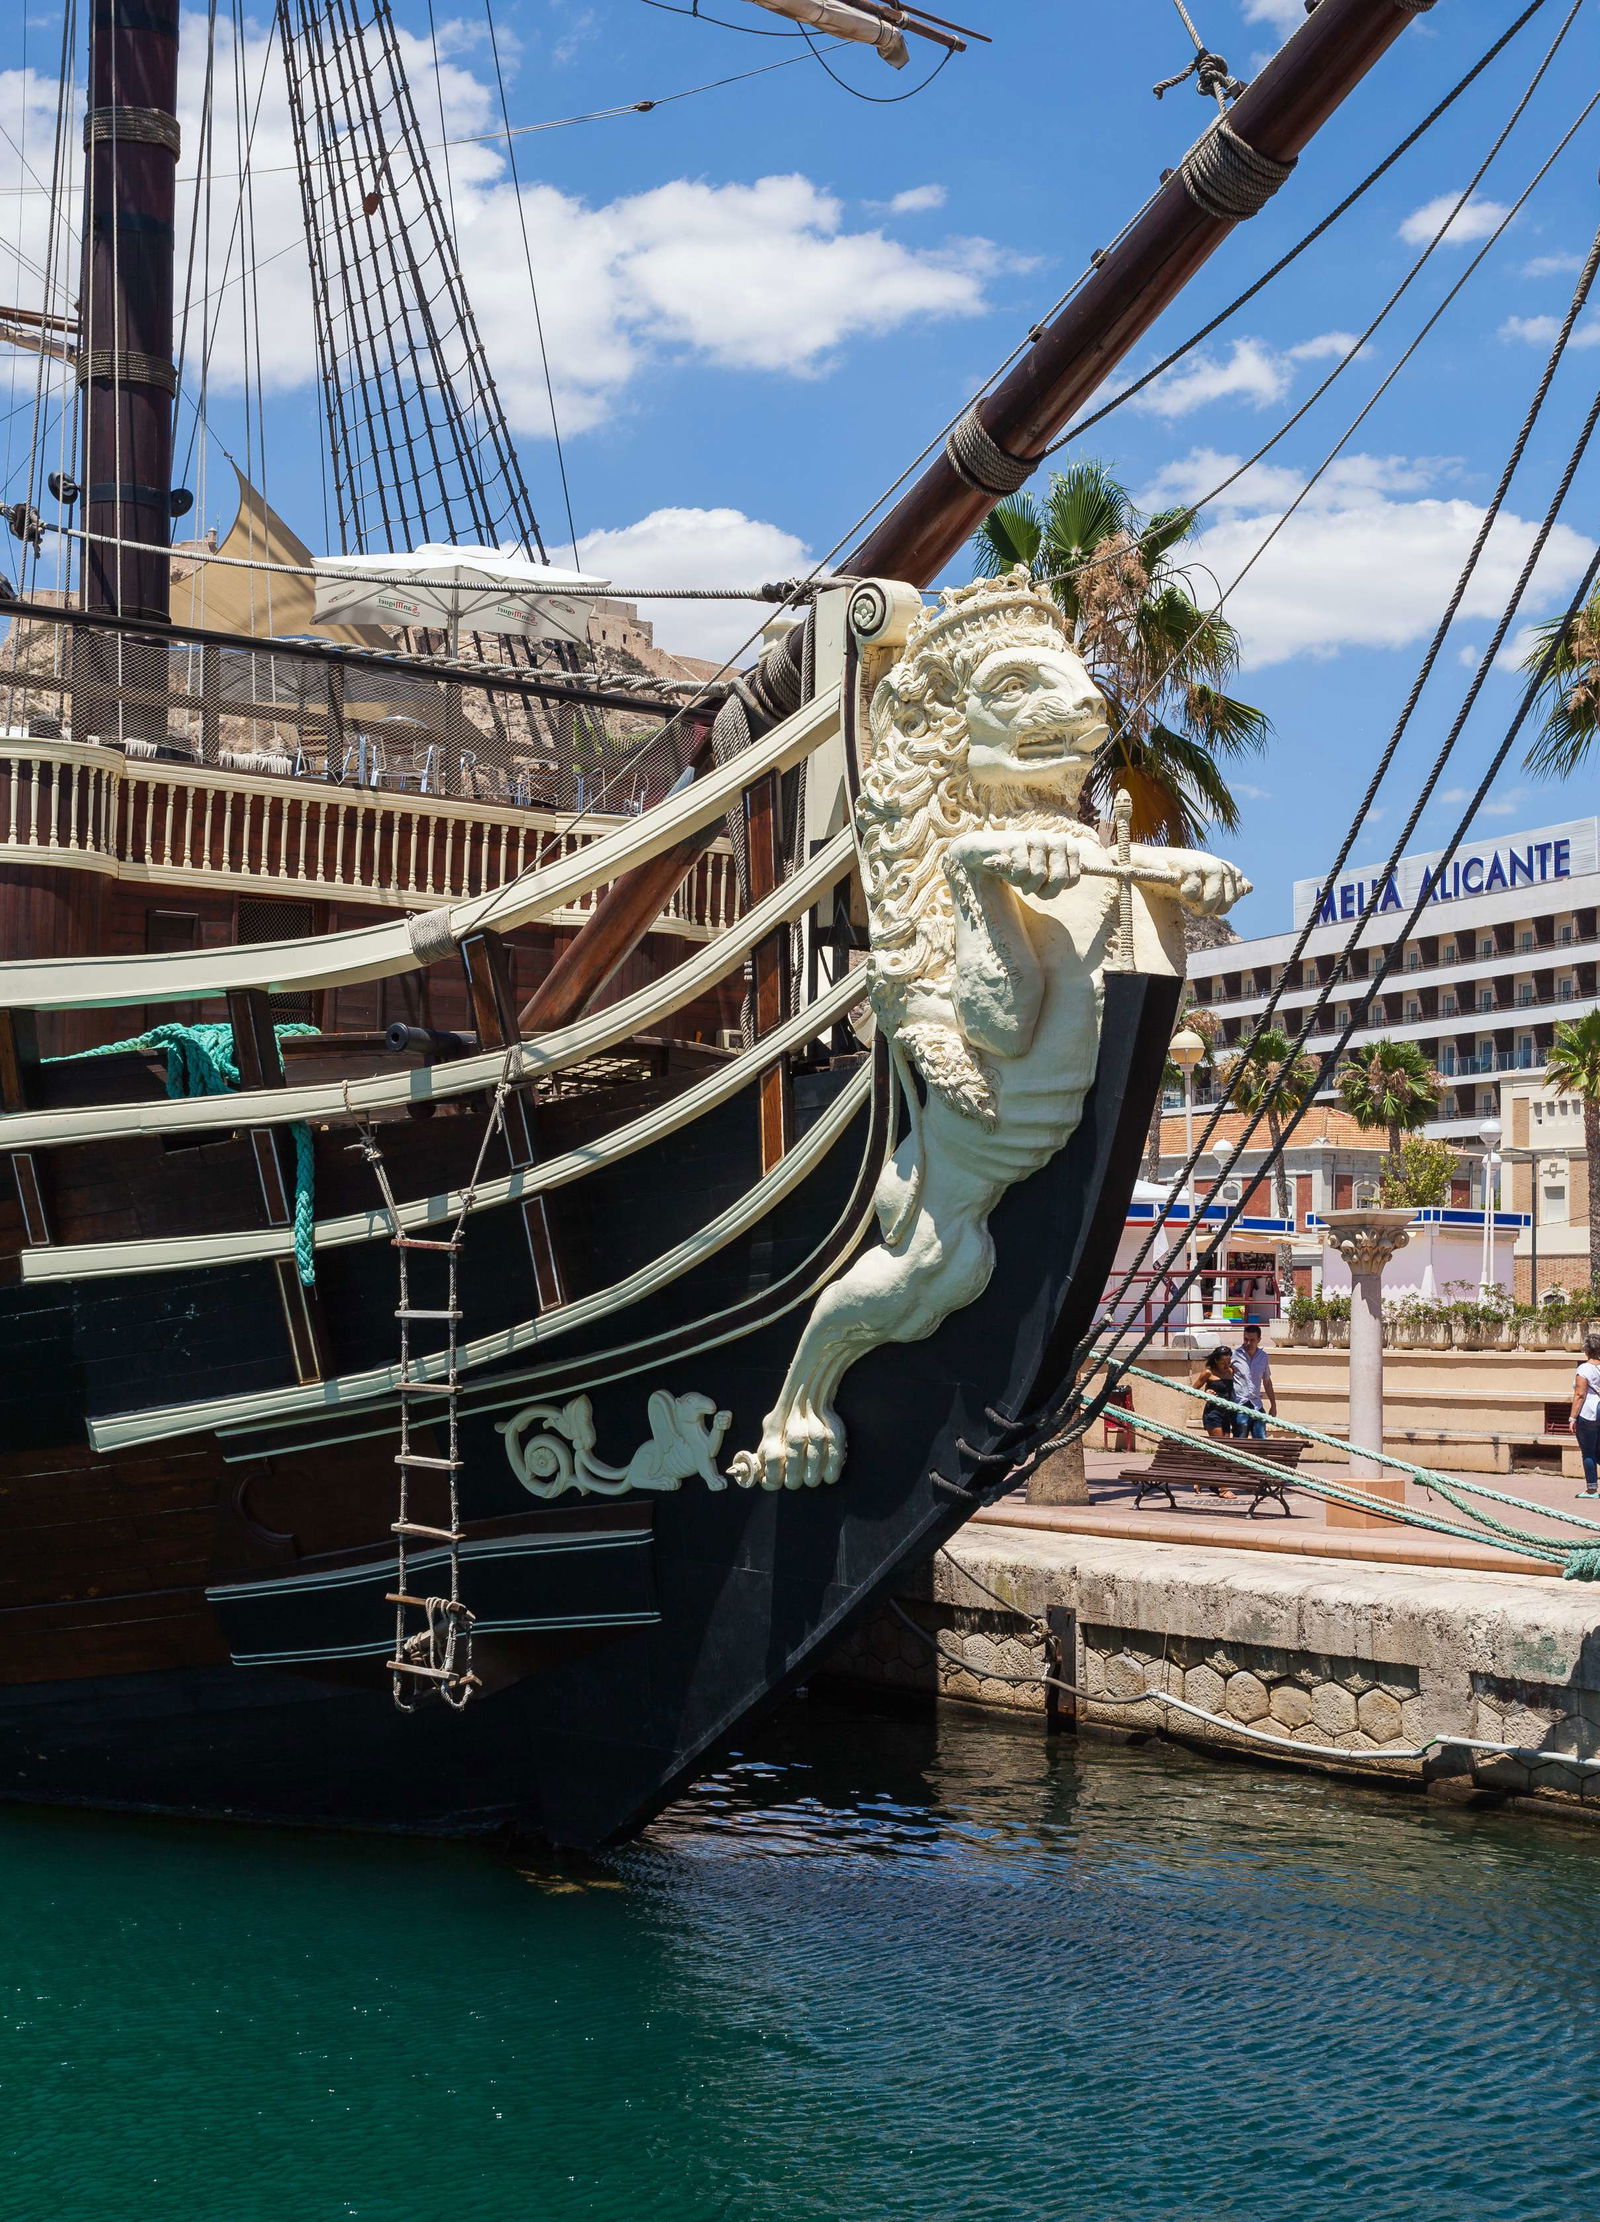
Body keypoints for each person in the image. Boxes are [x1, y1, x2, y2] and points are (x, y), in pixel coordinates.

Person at [1190, 1346, 1237, 1497]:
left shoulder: (1230, 1371)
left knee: (1224, 1449)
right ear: (1216, 1360)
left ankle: (1202, 1477)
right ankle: (1224, 1488)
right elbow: (1193, 1389)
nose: (1226, 1364)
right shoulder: (1208, 1373)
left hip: (1226, 1414)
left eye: (1228, 1360)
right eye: (1223, 1361)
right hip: (1213, 1414)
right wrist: (1206, 1392)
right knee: (1221, 1449)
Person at [1231, 1323, 1277, 1441]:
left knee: (1261, 1440)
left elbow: (1267, 1382)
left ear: (1259, 1340)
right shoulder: (1234, 1355)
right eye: (1246, 1339)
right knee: (1240, 1440)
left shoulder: (1263, 1357)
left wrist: (1273, 1405)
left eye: (1252, 1340)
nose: (1248, 1343)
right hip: (1239, 1404)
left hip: (1256, 1405)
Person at [1571, 1333, 1600, 1498]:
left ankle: (1591, 1489)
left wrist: (1572, 1417)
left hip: (1589, 1412)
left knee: (1588, 1452)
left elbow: (1580, 1394)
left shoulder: (1584, 1369)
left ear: (1586, 1350)